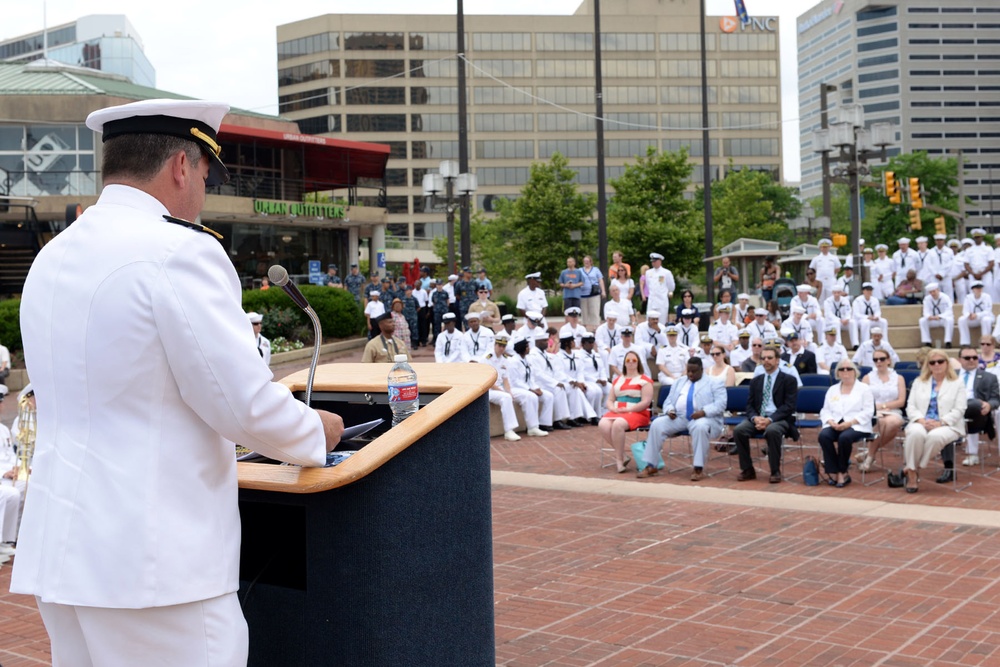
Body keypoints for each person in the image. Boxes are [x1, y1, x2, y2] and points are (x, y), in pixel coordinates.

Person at [11, 98, 345, 664]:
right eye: (206, 174)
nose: (202, 192)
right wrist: (317, 431)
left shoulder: (54, 256)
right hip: (155, 566)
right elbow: (240, 403)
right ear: (182, 167)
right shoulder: (178, 251)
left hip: (64, 552)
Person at [637, 358, 726, 481]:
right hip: (679, 416)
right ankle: (651, 465)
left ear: (701, 370)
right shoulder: (679, 382)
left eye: (694, 371)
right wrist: (670, 410)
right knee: (657, 424)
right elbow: (668, 402)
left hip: (704, 418)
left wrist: (703, 412)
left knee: (700, 427)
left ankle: (698, 468)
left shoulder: (714, 382)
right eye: (688, 371)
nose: (690, 374)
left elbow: (721, 404)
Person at [901, 348, 966, 493]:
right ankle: (912, 473)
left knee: (935, 436)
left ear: (946, 363)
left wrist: (940, 422)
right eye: (932, 362)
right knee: (916, 434)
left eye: (940, 361)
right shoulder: (919, 382)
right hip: (922, 421)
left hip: (948, 424)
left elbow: (960, 409)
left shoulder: (957, 383)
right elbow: (910, 405)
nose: (937, 365)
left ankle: (912, 468)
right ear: (928, 365)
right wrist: (921, 420)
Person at [733, 346, 799, 483]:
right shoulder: (756, 381)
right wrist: (755, 417)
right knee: (739, 430)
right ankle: (747, 469)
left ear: (778, 360)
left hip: (779, 418)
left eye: (770, 358)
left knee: (772, 430)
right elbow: (750, 405)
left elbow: (789, 406)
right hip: (758, 417)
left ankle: (775, 471)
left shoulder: (789, 380)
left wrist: (770, 419)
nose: (766, 361)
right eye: (763, 358)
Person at [475, 334, 548, 442]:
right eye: (499, 345)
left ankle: (533, 427)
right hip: (488, 389)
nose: (501, 348)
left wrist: (509, 391)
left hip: (501, 388)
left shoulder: (504, 359)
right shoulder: (487, 358)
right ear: (495, 345)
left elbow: (505, 379)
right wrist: (504, 392)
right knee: (506, 398)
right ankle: (509, 430)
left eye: (503, 346)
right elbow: (488, 381)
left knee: (529, 396)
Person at [938, 347, 1000, 474]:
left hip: (977, 413)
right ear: (960, 359)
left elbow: (996, 399)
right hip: (951, 412)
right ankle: (948, 467)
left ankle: (972, 453)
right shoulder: (949, 376)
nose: (971, 360)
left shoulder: (989, 377)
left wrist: (989, 405)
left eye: (975, 357)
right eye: (967, 358)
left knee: (975, 405)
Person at [818, 359, 875, 487]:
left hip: (857, 424)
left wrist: (849, 423)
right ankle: (832, 469)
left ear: (855, 372)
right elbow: (825, 409)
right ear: (837, 373)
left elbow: (868, 411)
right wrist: (830, 421)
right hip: (835, 423)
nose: (845, 371)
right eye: (841, 369)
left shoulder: (864, 389)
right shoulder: (832, 389)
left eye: (849, 368)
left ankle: (842, 472)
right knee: (824, 436)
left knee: (844, 438)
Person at [598, 350, 653, 474]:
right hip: (617, 411)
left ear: (638, 362)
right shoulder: (618, 380)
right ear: (624, 363)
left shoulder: (645, 380)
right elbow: (610, 399)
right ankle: (623, 455)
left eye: (634, 360)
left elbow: (646, 402)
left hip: (637, 412)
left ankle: (618, 460)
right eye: (628, 360)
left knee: (618, 424)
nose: (631, 363)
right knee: (603, 424)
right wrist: (612, 408)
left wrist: (629, 409)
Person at [857, 351, 907, 472]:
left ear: (888, 360)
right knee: (881, 423)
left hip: (893, 410)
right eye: (876, 360)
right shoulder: (867, 378)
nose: (879, 362)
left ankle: (869, 454)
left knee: (892, 423)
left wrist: (884, 405)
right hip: (873, 411)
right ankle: (870, 457)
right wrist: (877, 408)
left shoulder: (899, 378)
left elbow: (901, 401)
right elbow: (861, 399)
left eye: (882, 359)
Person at [919, 282, 955, 348]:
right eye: (931, 292)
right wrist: (929, 316)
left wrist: (940, 316)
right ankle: (927, 342)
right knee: (922, 320)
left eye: (934, 291)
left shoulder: (945, 297)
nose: (933, 294)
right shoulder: (927, 299)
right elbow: (925, 311)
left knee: (949, 320)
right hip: (932, 319)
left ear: (938, 290)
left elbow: (949, 311)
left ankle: (948, 342)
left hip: (943, 319)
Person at [959, 281, 995, 346]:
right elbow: (965, 310)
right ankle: (965, 343)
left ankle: (985, 341)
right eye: (977, 288)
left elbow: (988, 310)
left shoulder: (987, 297)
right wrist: (969, 315)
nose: (979, 290)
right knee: (961, 319)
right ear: (973, 289)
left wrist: (977, 315)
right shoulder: (968, 297)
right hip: (973, 318)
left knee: (986, 320)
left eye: (980, 288)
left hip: (985, 317)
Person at [809, 239, 841, 303]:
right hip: (820, 281)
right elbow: (812, 269)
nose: (824, 249)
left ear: (829, 247)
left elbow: (838, 268)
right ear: (820, 248)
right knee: (820, 298)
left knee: (831, 298)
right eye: (823, 247)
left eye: (826, 247)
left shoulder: (834, 258)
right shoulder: (816, 258)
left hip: (830, 281)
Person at [580, 255, 605, 329]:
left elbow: (600, 280)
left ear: (591, 262)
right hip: (583, 294)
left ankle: (596, 327)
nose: (586, 263)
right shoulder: (580, 270)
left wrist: (603, 291)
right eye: (585, 261)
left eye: (588, 261)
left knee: (594, 310)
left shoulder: (596, 270)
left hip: (594, 293)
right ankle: (584, 327)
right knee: (584, 311)